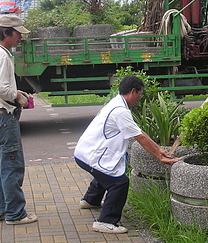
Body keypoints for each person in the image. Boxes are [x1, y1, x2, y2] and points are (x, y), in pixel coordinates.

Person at [74, 75, 180, 234]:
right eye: (140, 94)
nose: (140, 98)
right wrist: (160, 157)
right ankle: (105, 221)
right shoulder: (120, 111)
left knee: (106, 173)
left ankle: (91, 200)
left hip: (85, 153)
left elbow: (139, 132)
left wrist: (160, 150)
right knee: (119, 182)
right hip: (90, 156)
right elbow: (140, 138)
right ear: (132, 91)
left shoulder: (117, 103)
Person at [0, 15, 37, 225]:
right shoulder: (3, 56)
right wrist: (18, 97)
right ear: (6, 32)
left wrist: (13, 92)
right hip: (5, 119)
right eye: (17, 34)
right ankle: (15, 214)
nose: (20, 38)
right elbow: (4, 90)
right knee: (12, 167)